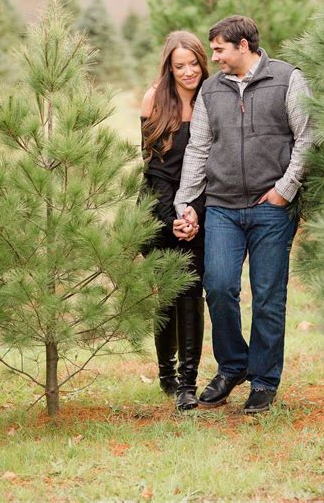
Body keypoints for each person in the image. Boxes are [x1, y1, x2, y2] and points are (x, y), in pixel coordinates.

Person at [173, 15, 313, 414]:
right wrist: (186, 203)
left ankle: (264, 381)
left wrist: (284, 191)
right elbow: (199, 149)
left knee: (268, 296)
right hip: (222, 207)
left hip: (271, 209)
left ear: (243, 46)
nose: (211, 56)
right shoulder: (211, 91)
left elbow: (306, 137)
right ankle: (233, 365)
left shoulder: (288, 79)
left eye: (218, 49)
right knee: (218, 286)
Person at [140, 30, 208, 411]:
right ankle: (166, 373)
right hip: (158, 207)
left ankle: (187, 382)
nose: (188, 72)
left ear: (202, 62)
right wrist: (171, 221)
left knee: (191, 294)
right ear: (169, 66)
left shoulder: (212, 99)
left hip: (200, 209)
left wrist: (194, 212)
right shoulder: (155, 99)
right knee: (165, 295)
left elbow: (215, 166)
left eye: (193, 64)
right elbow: (154, 170)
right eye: (179, 65)